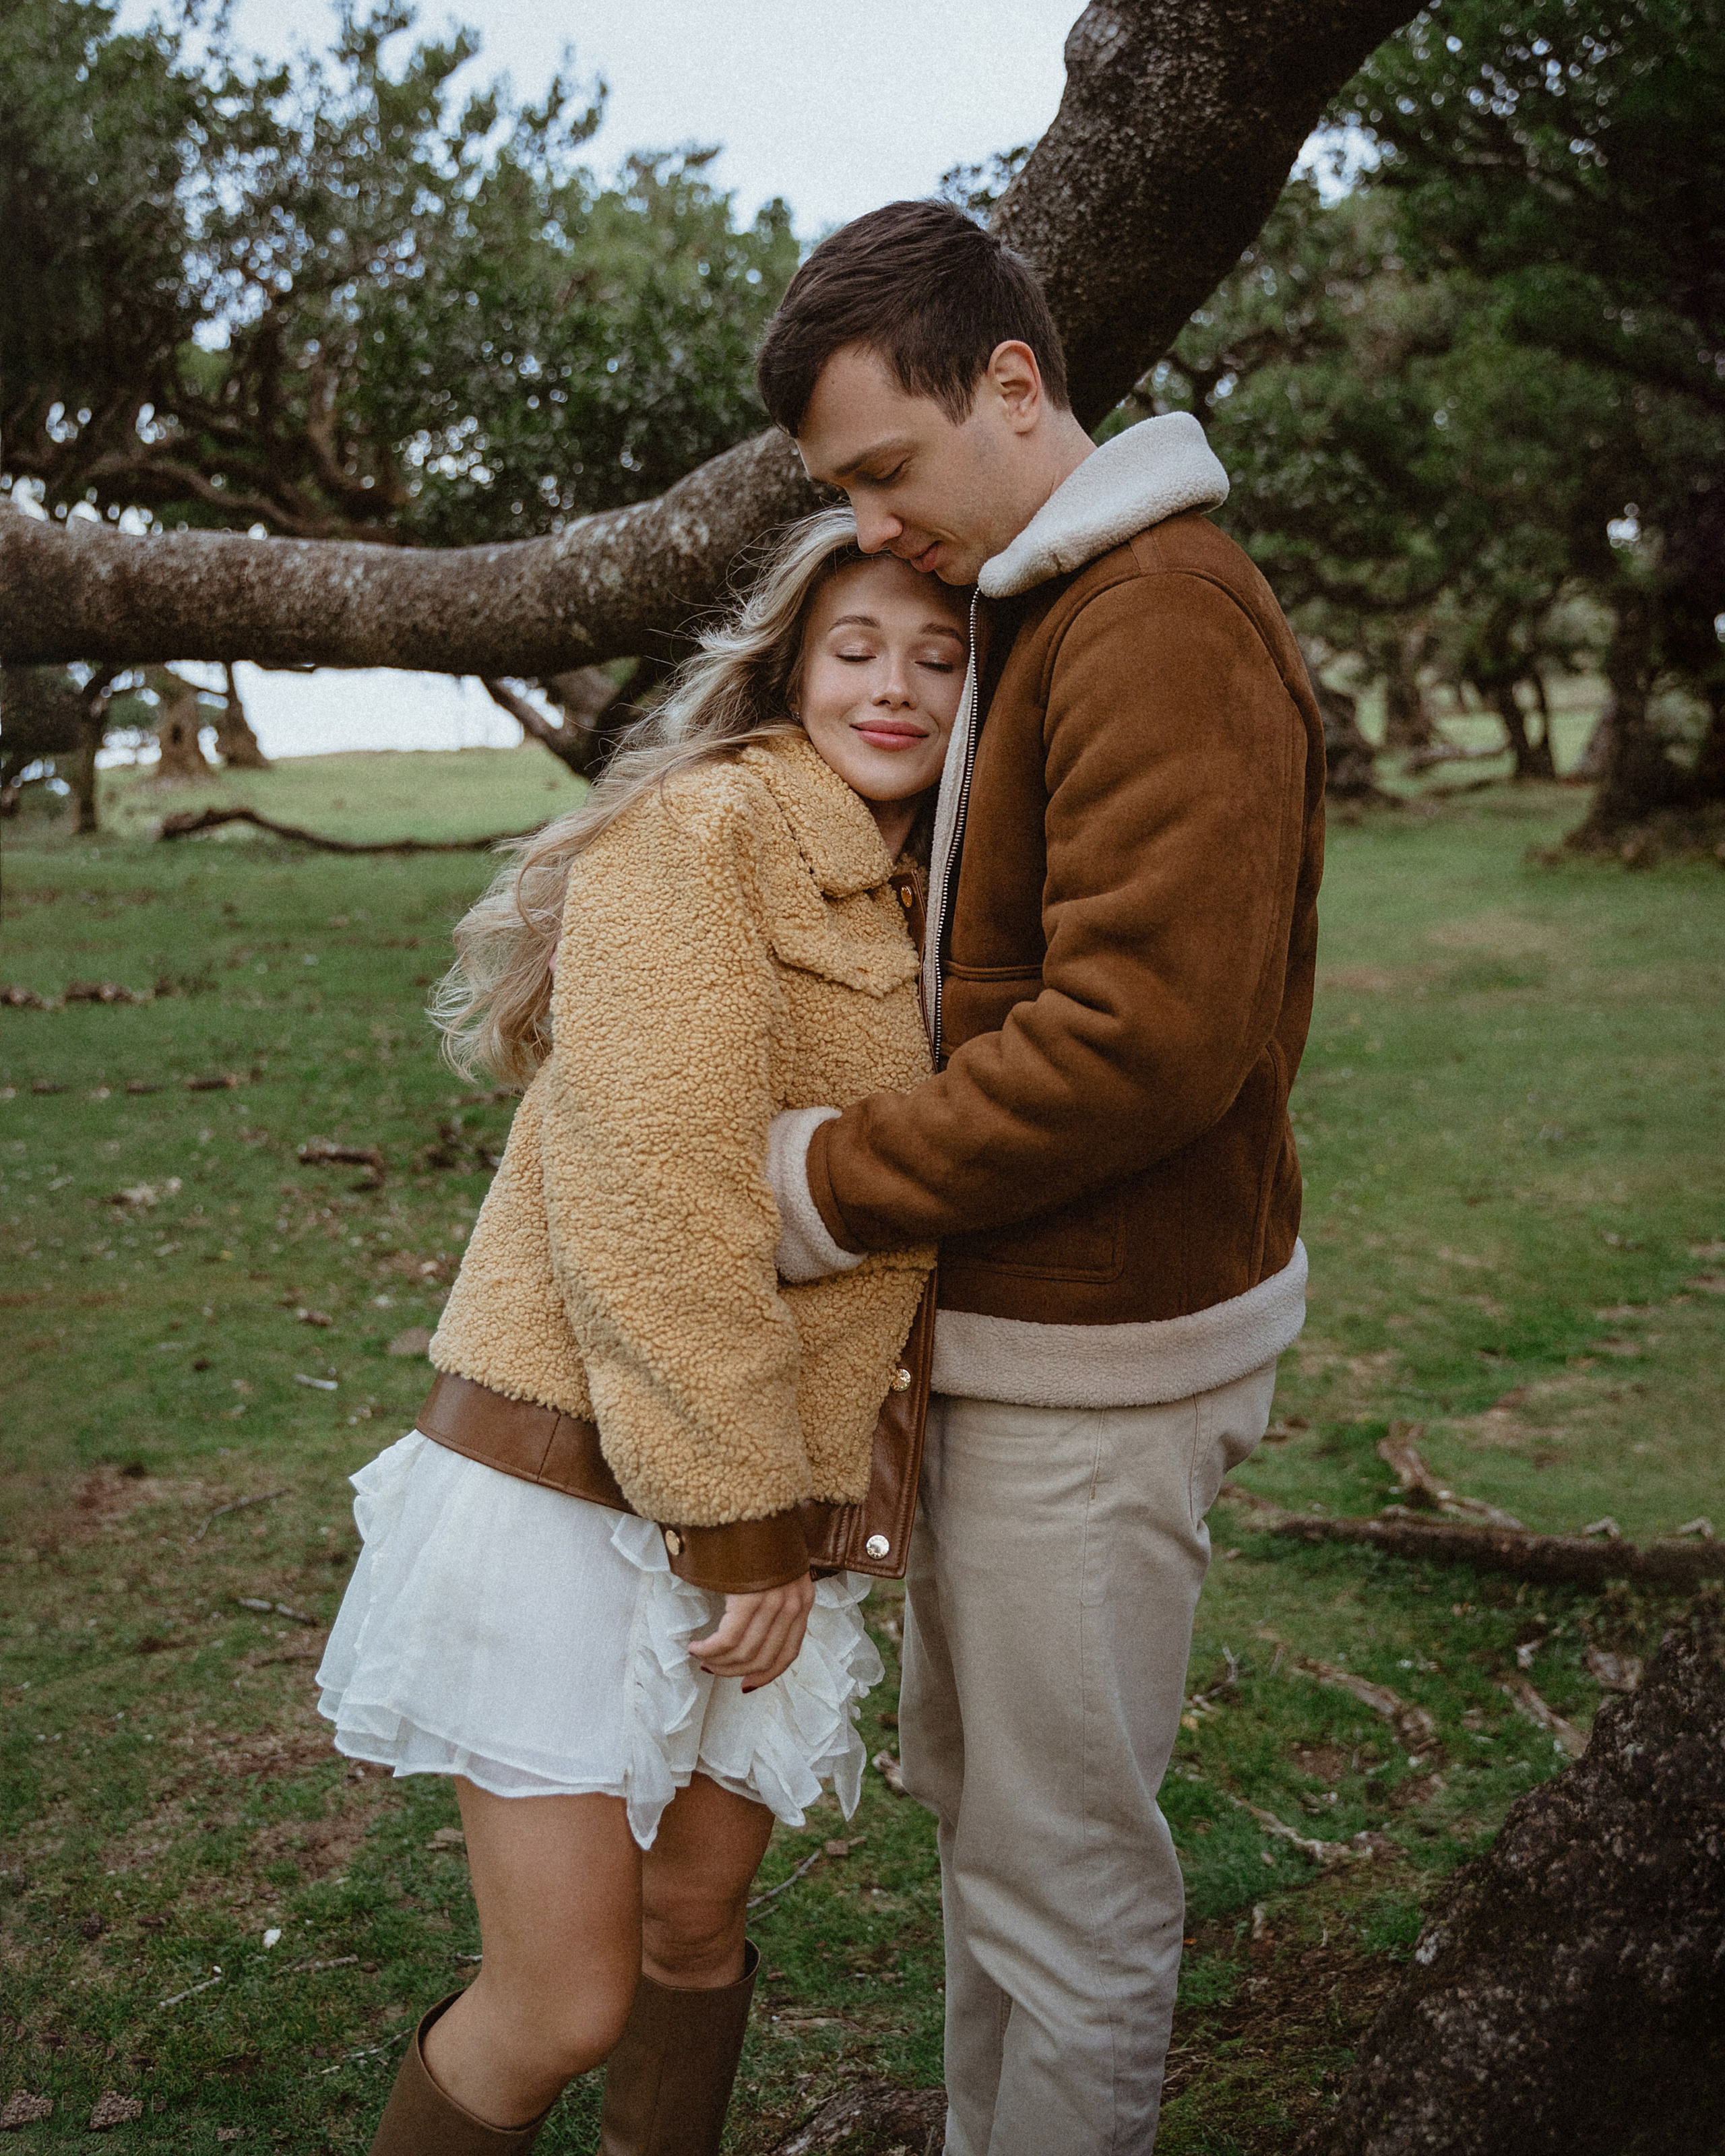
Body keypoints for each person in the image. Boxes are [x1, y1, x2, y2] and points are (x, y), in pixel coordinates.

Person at [754, 200, 1327, 2153]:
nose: (881, 528)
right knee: (991, 1841)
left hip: (1106, 1364)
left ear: (1013, 384)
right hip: (1013, 1346)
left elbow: (1140, 1039)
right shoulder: (1041, 597)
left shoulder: (1159, 613)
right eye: (849, 494)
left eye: (887, 474)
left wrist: (825, 1183)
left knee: (1068, 1877)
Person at [314, 509, 967, 2156]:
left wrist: (788, 1527)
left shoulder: (932, 886)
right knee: (562, 2002)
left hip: (767, 1504)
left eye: (940, 661)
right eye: (857, 649)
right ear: (786, 666)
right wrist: (739, 1530)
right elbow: (652, 1203)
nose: (894, 689)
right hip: (584, 1487)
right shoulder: (704, 834)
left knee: (692, 1928)